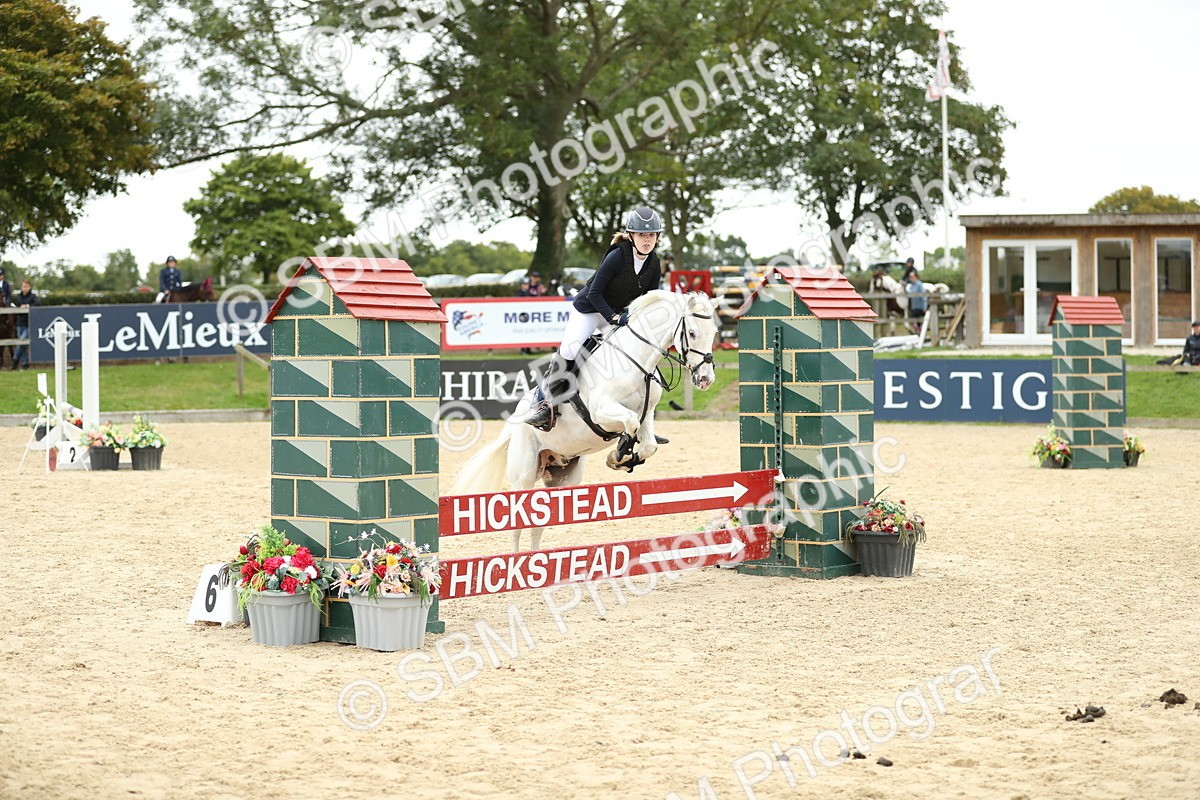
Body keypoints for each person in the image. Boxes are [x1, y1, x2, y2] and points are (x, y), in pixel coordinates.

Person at [525, 206, 664, 431]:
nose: (647, 240)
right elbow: (594, 293)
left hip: (617, 315)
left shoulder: (654, 264)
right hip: (590, 310)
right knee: (570, 349)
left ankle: (641, 417)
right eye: (641, 235)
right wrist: (613, 317)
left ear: (657, 237)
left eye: (651, 235)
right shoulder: (617, 256)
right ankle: (544, 403)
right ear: (631, 236)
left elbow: (646, 300)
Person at [12, 279, 40, 370]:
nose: (25, 288)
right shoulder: (19, 296)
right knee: (22, 344)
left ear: (30, 287)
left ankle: (15, 361)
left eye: (26, 286)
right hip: (19, 323)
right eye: (23, 286)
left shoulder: (33, 296)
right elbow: (15, 305)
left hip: (28, 323)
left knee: (21, 342)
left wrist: (27, 306)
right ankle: (25, 364)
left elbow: (38, 303)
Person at [904, 268, 927, 334]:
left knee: (917, 322)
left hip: (919, 307)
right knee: (915, 322)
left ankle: (920, 333)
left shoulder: (919, 285)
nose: (910, 278)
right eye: (909, 277)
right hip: (914, 306)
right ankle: (918, 333)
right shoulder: (912, 285)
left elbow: (923, 296)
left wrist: (924, 307)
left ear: (915, 277)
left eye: (911, 277)